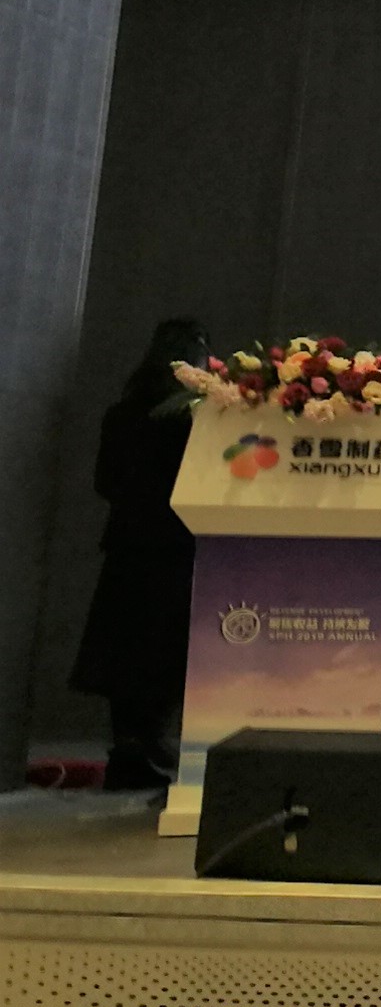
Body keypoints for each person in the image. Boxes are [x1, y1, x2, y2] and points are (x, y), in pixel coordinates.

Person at [69, 318, 207, 792]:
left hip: (127, 547)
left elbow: (104, 482)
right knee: (166, 651)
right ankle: (150, 741)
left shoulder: (121, 413)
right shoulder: (193, 418)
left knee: (123, 651)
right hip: (179, 545)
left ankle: (127, 750)